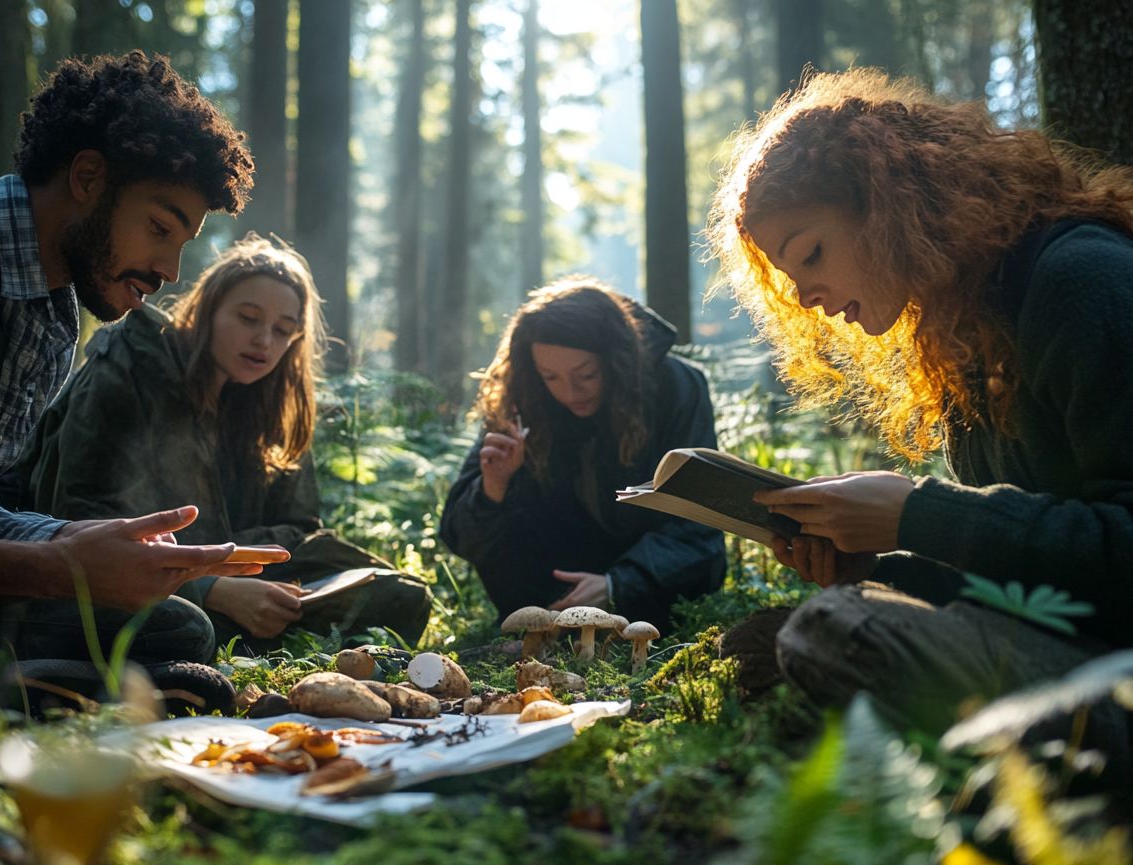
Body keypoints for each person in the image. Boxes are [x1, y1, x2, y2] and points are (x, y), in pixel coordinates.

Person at [706, 67, 1133, 735]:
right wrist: (878, 563)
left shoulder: (1078, 280)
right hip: (1076, 642)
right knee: (758, 647)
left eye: (811, 254)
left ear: (887, 206)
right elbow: (1032, 588)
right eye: (789, 280)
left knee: (831, 634)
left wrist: (918, 513)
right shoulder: (961, 334)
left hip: (1116, 668)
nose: (805, 299)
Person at [0, 51, 266, 678]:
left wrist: (67, 542)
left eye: (182, 245)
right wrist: (53, 569)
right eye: (158, 227)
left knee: (174, 631)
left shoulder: (52, 319)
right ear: (89, 178)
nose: (170, 272)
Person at [9, 234, 433, 649]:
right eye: (248, 318)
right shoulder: (129, 367)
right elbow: (76, 516)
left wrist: (240, 564)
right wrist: (213, 585)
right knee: (186, 626)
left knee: (402, 595)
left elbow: (301, 527)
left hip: (241, 571)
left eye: (283, 330)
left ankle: (273, 639)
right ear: (208, 310)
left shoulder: (271, 401)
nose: (264, 341)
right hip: (118, 581)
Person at [440, 277, 726, 625]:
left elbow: (698, 527)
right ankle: (536, 631)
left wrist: (617, 583)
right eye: (551, 377)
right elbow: (461, 538)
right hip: (548, 601)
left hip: (652, 602)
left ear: (615, 360)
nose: (570, 392)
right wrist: (492, 489)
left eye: (586, 374)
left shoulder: (677, 388)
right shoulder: (526, 396)